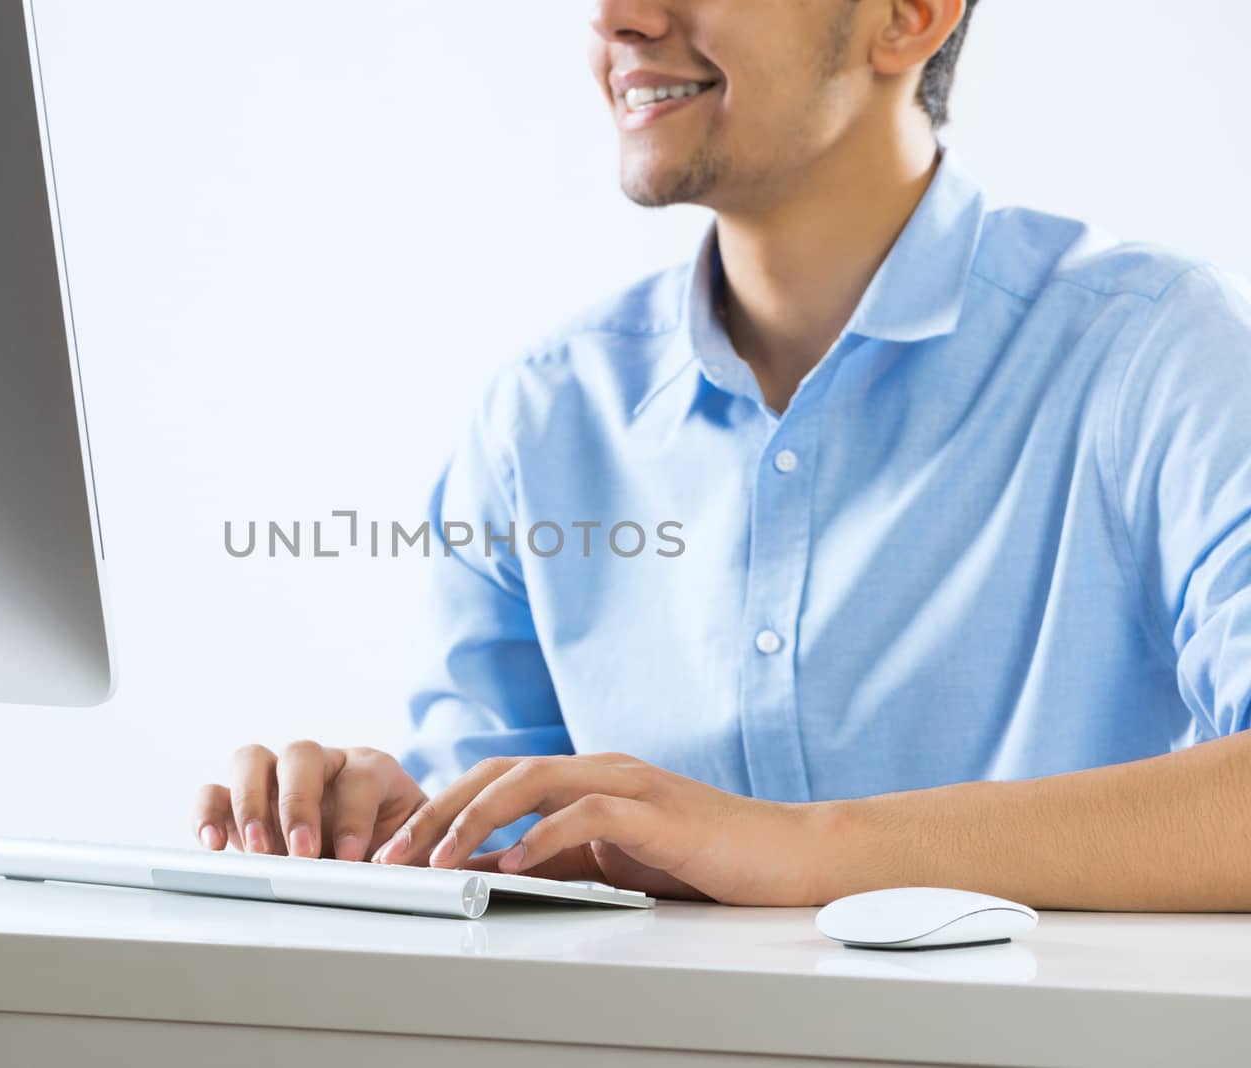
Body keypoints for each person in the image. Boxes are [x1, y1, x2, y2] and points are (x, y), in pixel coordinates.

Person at [195, 0, 1251, 909]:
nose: (618, 18)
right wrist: (399, 837)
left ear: (909, 14)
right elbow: (517, 880)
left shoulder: (1143, 346)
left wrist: (803, 851)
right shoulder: (543, 418)